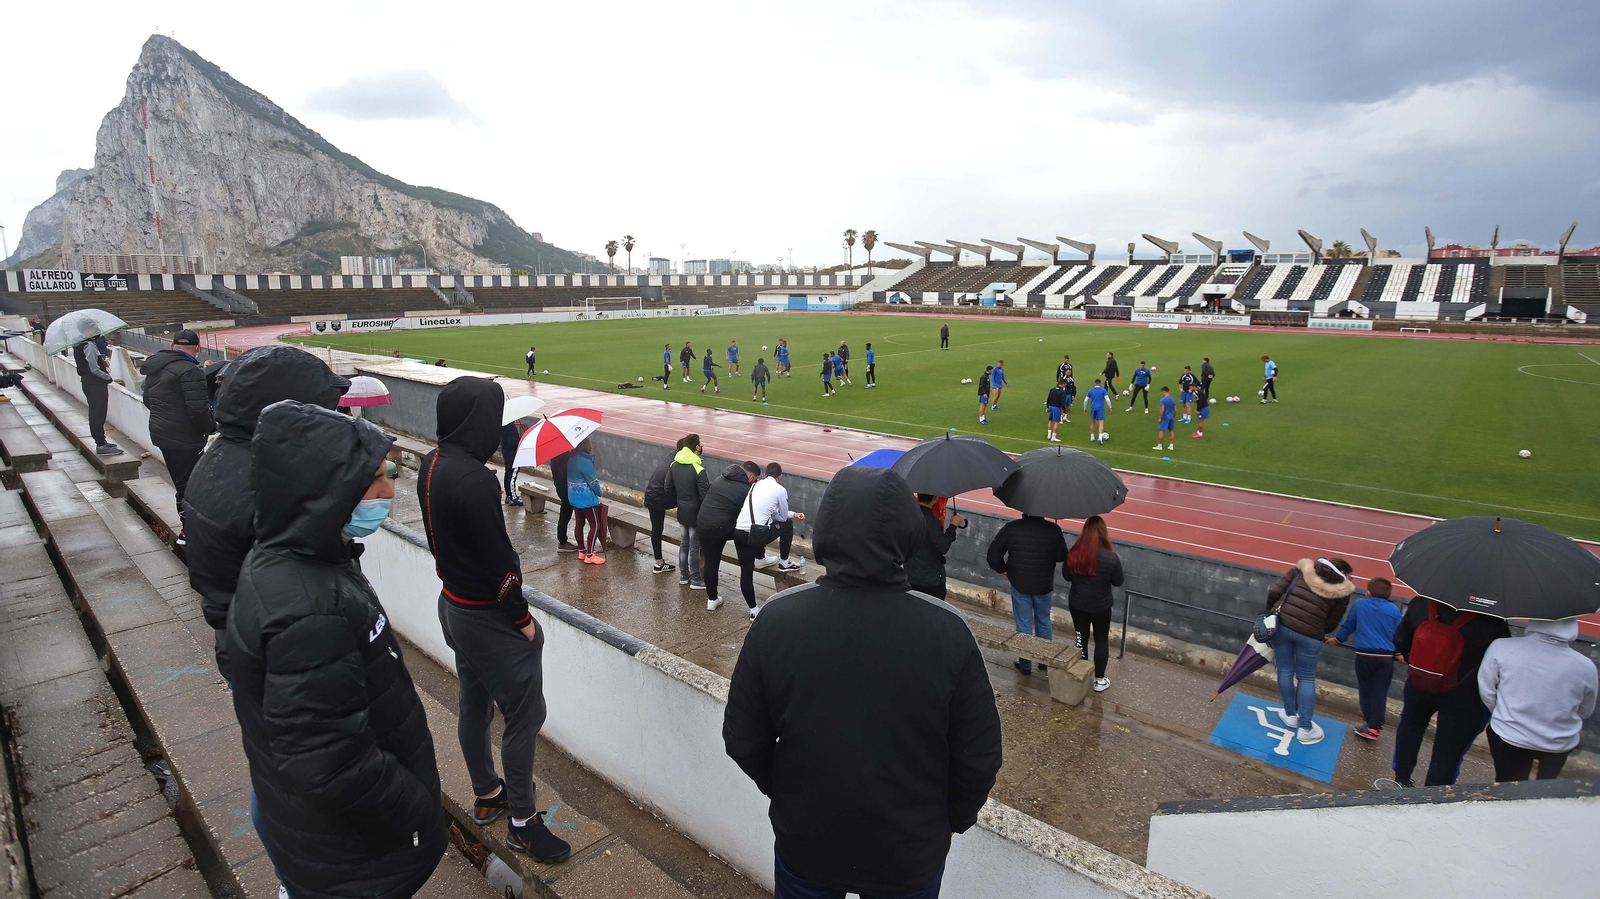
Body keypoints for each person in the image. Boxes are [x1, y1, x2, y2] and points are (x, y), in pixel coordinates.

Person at [723, 465, 1002, 899]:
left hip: (809, 845)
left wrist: (791, 797)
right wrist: (941, 823)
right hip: (907, 853)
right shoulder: (947, 631)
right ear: (907, 535)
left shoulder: (778, 619)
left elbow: (742, 737)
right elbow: (979, 757)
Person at [228, 400, 448, 898]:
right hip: (349, 857)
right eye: (372, 479)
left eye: (390, 472)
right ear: (322, 491)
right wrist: (417, 809)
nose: (388, 491)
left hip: (327, 843)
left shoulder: (308, 560)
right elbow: (329, 764)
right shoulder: (308, 609)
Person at [417, 378, 572, 862]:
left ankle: (488, 793)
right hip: (486, 616)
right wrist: (523, 619)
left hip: (453, 604)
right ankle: (523, 825)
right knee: (525, 715)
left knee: (474, 701)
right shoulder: (475, 479)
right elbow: (499, 563)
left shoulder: (433, 461)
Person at [185, 345, 349, 680]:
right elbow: (313, 582)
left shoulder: (226, 454)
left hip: (245, 640)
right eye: (322, 408)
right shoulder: (268, 484)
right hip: (284, 660)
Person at [1389, 596, 1510, 787]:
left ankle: (1401, 777)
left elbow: (1400, 640)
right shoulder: (1492, 618)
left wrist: (1423, 661)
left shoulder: (1422, 602)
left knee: (1411, 725)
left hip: (1420, 682)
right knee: (1449, 749)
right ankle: (1434, 795)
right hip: (1464, 692)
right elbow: (1501, 659)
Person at [1479, 618, 1598, 782]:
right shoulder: (1586, 666)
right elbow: (1586, 711)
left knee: (1509, 789)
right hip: (1559, 743)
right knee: (1544, 790)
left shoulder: (1502, 647)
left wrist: (1504, 713)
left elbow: (1486, 690)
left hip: (1509, 735)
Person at [1265, 558, 1354, 746]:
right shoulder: (1343, 590)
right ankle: (1305, 728)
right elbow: (1332, 623)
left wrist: (1272, 611)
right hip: (1311, 635)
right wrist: (1317, 626)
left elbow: (1275, 591)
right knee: (1306, 677)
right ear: (1343, 573)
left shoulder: (1302, 569)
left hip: (1282, 624)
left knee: (1285, 669)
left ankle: (1290, 714)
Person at [140, 329, 216, 540]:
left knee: (182, 482)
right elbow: (198, 410)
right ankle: (188, 530)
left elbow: (148, 399)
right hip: (186, 439)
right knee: (190, 485)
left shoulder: (156, 366)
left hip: (162, 434)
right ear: (198, 348)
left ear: (173, 346)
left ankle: (190, 527)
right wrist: (210, 427)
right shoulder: (191, 371)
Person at [987, 512, 1067, 675]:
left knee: (1023, 623)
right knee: (1043, 620)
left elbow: (993, 555)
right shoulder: (1053, 530)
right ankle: (1045, 659)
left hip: (1019, 583)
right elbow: (1062, 556)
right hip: (1044, 584)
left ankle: (1025, 665)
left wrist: (1004, 570)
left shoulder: (1011, 528)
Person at [1327, 577, 1403, 741]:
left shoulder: (1360, 604)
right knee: (1380, 692)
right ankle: (1374, 726)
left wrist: (1338, 639)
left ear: (1368, 592)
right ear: (1388, 596)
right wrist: (1398, 653)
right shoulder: (1394, 610)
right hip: (1385, 658)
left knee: (1366, 689)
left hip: (1364, 655)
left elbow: (1349, 624)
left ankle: (1369, 722)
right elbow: (1399, 634)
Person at [1062, 516, 1124, 692]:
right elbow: (1118, 581)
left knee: (1080, 638)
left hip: (1078, 604)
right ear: (1104, 533)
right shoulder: (1111, 557)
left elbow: (1067, 577)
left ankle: (1080, 674)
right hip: (1101, 606)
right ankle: (1099, 680)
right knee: (1101, 640)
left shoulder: (1074, 553)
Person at [696, 461, 758, 612]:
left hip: (703, 524)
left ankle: (712, 599)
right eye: (755, 480)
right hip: (722, 527)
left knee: (711, 562)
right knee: (745, 548)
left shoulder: (720, 479)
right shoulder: (746, 489)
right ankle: (753, 608)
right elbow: (750, 515)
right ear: (751, 478)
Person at [745, 462, 806, 573]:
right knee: (788, 524)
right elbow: (782, 518)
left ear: (764, 474)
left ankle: (760, 557)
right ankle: (784, 562)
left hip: (743, 531)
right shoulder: (780, 490)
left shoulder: (755, 485)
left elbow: (772, 512)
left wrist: (793, 514)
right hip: (757, 534)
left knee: (761, 521)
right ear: (780, 477)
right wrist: (791, 516)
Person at [73, 320, 122, 456]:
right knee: (98, 413)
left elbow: (88, 362)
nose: (97, 329)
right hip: (95, 383)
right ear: (86, 330)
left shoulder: (79, 344)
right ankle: (100, 444)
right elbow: (93, 368)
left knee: (96, 412)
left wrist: (101, 361)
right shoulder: (88, 345)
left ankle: (102, 441)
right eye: (93, 327)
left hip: (88, 382)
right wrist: (107, 377)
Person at [670, 435, 712, 589]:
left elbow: (668, 487)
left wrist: (681, 499)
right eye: (700, 444)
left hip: (682, 511)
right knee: (694, 546)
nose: (701, 446)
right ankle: (695, 579)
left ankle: (683, 575)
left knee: (685, 543)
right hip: (695, 513)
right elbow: (705, 496)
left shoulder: (674, 464)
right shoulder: (698, 468)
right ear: (696, 447)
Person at [906, 493, 962, 599]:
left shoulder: (908, 517)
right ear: (935, 498)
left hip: (910, 577)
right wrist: (953, 527)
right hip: (930, 581)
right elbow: (942, 547)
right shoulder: (931, 522)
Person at [566, 438, 607, 564]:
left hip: (574, 496)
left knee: (579, 523)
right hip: (586, 499)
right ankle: (590, 555)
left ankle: (582, 551)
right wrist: (600, 492)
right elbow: (593, 482)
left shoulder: (571, 459)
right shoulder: (585, 462)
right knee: (595, 525)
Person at [643, 443, 679, 575]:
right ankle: (659, 563)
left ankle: (659, 562)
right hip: (657, 498)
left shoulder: (669, 458)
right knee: (687, 501)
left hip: (651, 496)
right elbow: (669, 487)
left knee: (657, 529)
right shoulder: (676, 463)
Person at [550, 449, 577, 553]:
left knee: (565, 513)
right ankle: (562, 542)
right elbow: (564, 473)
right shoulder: (562, 456)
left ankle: (562, 541)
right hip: (565, 488)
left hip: (560, 486)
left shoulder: (556, 454)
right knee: (565, 514)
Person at [501, 419, 526, 506]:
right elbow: (513, 442)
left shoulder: (503, 427)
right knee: (512, 477)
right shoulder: (510, 427)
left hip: (507, 455)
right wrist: (520, 440)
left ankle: (508, 496)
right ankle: (513, 497)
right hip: (513, 456)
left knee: (507, 474)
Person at [1084, 378, 1110, 443]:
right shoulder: (1103, 390)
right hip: (1100, 408)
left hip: (1093, 408)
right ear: (1100, 384)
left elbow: (1085, 400)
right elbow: (1107, 399)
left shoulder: (1091, 390)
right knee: (1101, 423)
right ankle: (1100, 438)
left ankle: (1092, 437)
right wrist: (1110, 407)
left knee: (1093, 422)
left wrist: (1085, 408)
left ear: (1095, 383)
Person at [1153, 386, 1175, 451]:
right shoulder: (1173, 400)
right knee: (1171, 431)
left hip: (1165, 417)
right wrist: (1173, 416)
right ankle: (1171, 446)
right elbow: (1175, 409)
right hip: (1171, 417)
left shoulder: (1163, 400)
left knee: (1162, 431)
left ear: (1164, 391)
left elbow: (1162, 410)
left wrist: (1160, 418)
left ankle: (1160, 446)